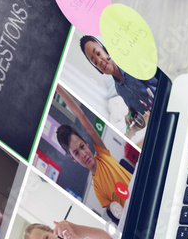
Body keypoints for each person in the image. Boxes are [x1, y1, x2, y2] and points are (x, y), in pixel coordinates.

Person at [54, 85, 133, 218]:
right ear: (73, 159)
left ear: (86, 143)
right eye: (77, 153)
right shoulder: (98, 191)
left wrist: (58, 88)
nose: (83, 154)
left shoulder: (102, 153)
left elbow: (81, 116)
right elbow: (118, 214)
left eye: (82, 147)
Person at [79, 34, 157, 123]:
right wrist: (130, 115)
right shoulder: (119, 89)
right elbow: (133, 107)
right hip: (151, 121)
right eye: (95, 62)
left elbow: (158, 82)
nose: (99, 61)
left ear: (106, 50)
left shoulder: (132, 65)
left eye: (98, 53)